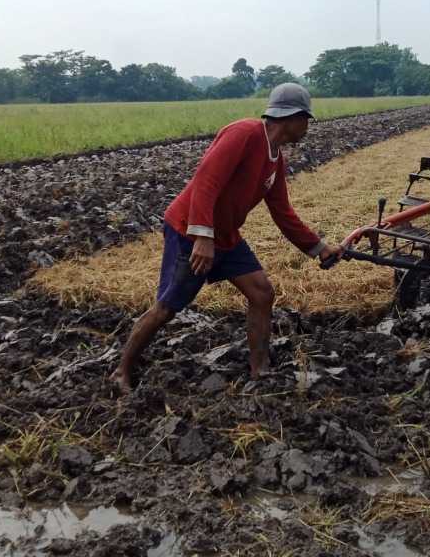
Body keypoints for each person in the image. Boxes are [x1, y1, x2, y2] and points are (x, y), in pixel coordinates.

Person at [109, 83, 343, 393]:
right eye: (307, 120)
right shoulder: (244, 133)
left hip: (226, 236)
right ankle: (122, 371)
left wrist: (318, 248)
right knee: (168, 307)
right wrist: (202, 236)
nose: (308, 127)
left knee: (262, 293)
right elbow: (206, 181)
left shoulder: (275, 161)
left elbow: (283, 212)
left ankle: (260, 370)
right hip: (188, 231)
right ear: (292, 117)